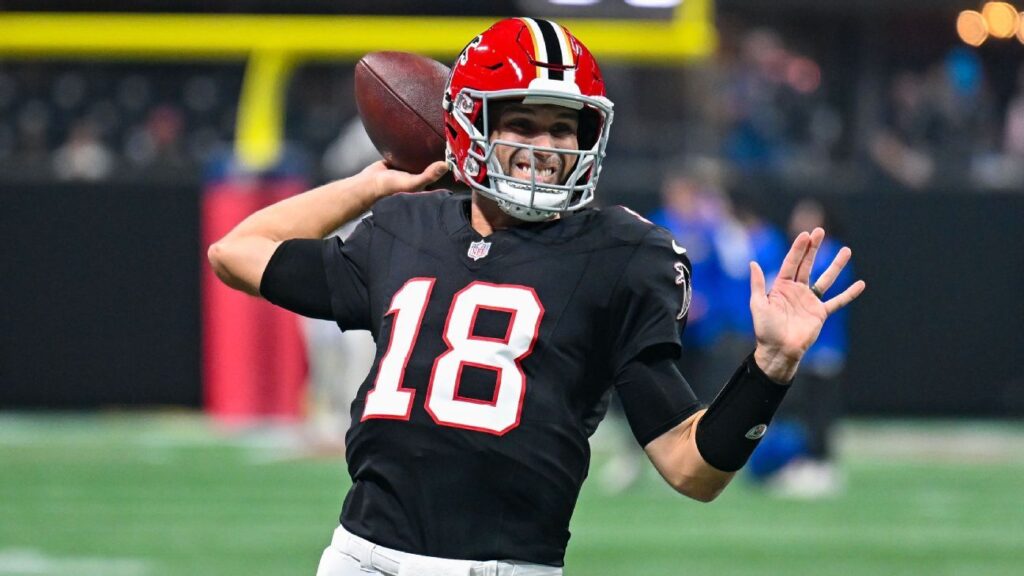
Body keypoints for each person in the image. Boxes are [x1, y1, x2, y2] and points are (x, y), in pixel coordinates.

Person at [207, 18, 865, 576]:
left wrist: (770, 367)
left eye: (564, 128)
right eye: (522, 123)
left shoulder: (622, 255)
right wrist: (374, 186)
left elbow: (692, 469)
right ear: (468, 126)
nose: (545, 148)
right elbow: (235, 252)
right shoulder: (405, 228)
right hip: (363, 561)